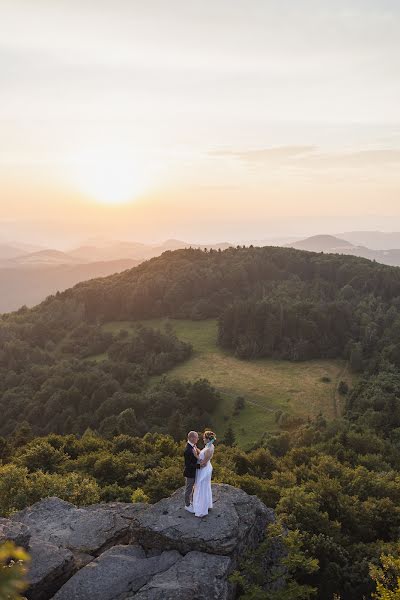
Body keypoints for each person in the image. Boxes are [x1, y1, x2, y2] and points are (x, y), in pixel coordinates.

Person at [192, 430, 216, 518]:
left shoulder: (209, 449)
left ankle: (201, 509)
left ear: (207, 439)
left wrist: (195, 456)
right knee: (204, 487)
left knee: (202, 487)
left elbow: (203, 464)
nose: (203, 440)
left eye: (203, 438)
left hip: (204, 470)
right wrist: (197, 449)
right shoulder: (209, 445)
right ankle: (206, 505)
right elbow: (203, 452)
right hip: (205, 469)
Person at [183, 430, 199, 512]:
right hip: (190, 473)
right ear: (192, 438)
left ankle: (191, 502)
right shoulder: (188, 450)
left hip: (193, 472)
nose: (198, 439)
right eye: (196, 437)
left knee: (193, 488)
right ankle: (187, 505)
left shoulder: (193, 446)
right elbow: (188, 465)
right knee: (188, 489)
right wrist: (199, 466)